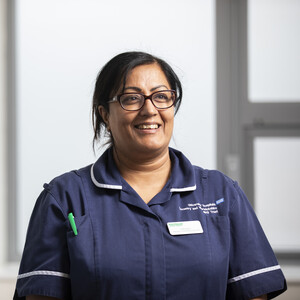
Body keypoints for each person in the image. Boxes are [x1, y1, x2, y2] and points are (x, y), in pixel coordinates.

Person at [14, 51, 286, 300]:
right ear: (104, 114)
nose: (149, 109)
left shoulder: (221, 194)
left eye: (161, 96)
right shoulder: (64, 198)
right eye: (131, 98)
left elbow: (254, 293)